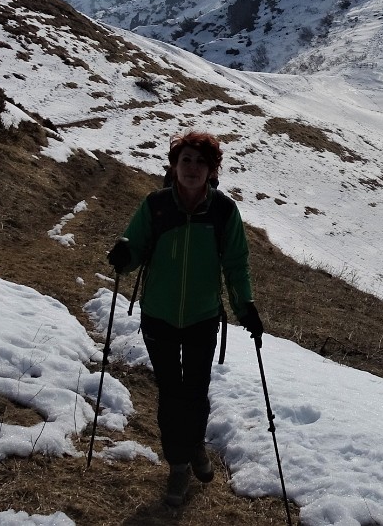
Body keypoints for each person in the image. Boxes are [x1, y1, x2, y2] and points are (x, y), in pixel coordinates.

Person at [107, 130, 263, 507]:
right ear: (174, 166)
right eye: (185, 160)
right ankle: (179, 464)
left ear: (212, 170)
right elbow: (134, 250)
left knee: (194, 391)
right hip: (159, 315)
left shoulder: (224, 212)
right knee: (171, 394)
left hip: (202, 317)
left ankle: (194, 447)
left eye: (200, 162)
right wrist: (121, 259)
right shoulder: (156, 206)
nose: (192, 168)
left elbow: (236, 264)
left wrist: (247, 309)